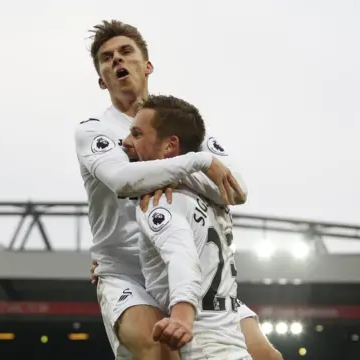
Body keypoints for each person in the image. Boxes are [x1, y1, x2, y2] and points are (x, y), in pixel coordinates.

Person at [76, 20, 282, 360]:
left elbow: (235, 190)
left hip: (189, 264)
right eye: (106, 58)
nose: (117, 60)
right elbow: (121, 179)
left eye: (126, 52)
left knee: (266, 355)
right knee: (158, 349)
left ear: (148, 65)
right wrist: (195, 164)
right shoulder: (92, 130)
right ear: (101, 79)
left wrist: (182, 173)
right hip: (127, 272)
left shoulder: (178, 123)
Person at [129, 94, 252, 360]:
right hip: (236, 350)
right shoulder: (215, 203)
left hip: (200, 351)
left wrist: (182, 317)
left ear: (170, 146)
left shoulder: (160, 201)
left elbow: (182, 258)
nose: (127, 143)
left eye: (137, 134)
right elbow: (237, 191)